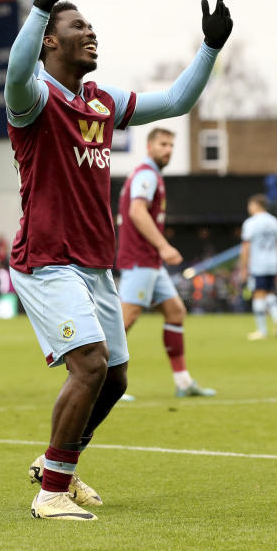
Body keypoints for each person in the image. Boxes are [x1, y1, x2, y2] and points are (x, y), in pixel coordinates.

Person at [4, 0, 232, 520]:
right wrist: (42, 4)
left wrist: (209, 48)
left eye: (92, 26)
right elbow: (15, 70)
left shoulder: (102, 102)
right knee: (89, 365)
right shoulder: (33, 99)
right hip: (48, 257)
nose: (91, 33)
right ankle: (51, 492)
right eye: (78, 26)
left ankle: (60, 466)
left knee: (114, 376)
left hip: (95, 261)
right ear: (50, 42)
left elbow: (177, 100)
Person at [116, 127, 215, 398]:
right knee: (125, 320)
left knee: (175, 312)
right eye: (163, 144)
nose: (168, 150)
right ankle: (103, 385)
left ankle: (183, 383)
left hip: (150, 261)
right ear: (149, 147)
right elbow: (137, 211)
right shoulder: (147, 174)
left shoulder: (147, 174)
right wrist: (163, 245)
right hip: (141, 259)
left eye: (171, 145)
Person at [238, 195, 277, 340]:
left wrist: (244, 267)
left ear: (257, 205)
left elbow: (246, 246)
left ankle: (261, 331)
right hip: (273, 262)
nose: (248, 208)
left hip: (258, 263)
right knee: (269, 292)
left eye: (250, 205)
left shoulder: (251, 223)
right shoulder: (274, 221)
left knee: (258, 294)